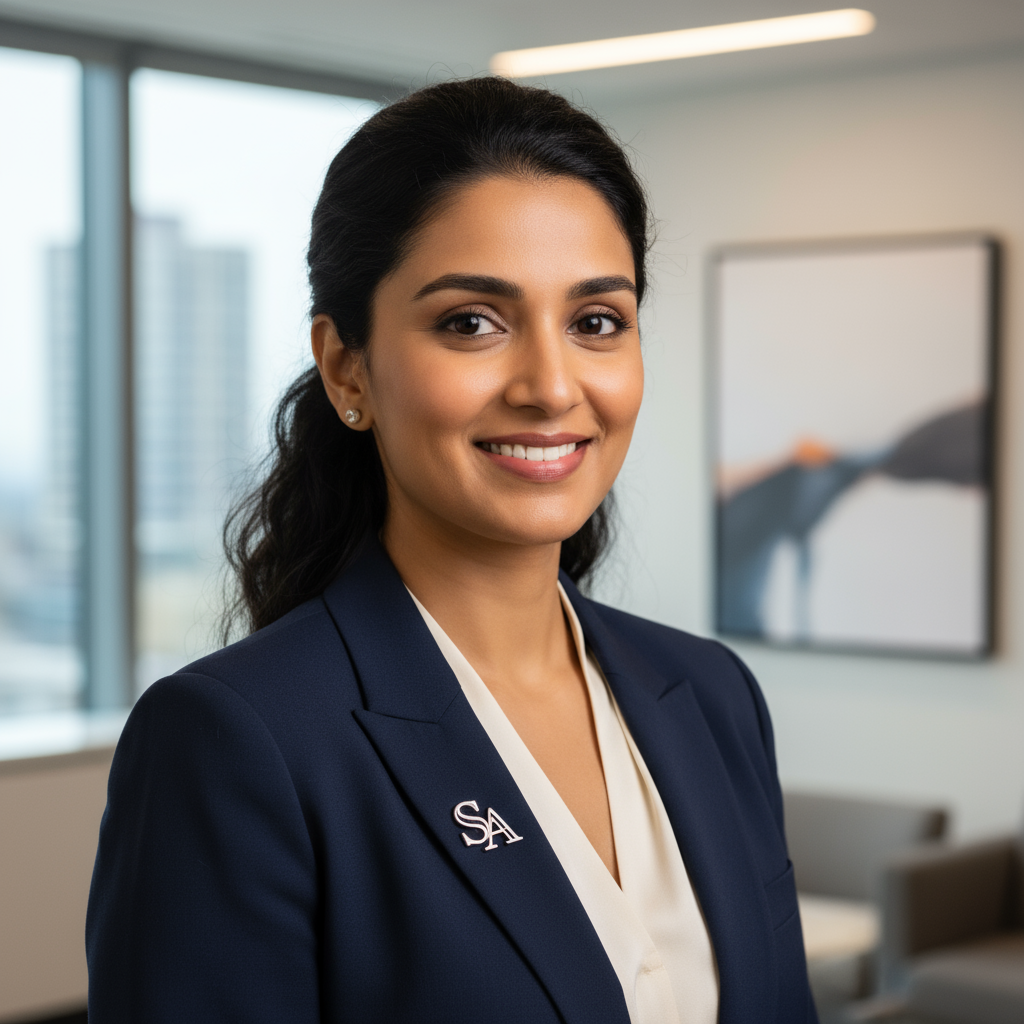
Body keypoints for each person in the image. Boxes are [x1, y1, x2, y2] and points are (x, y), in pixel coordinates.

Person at [86, 77, 817, 1024]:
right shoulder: (239, 742)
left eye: (597, 321)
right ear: (348, 366)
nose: (553, 387)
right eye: (471, 322)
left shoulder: (712, 697)